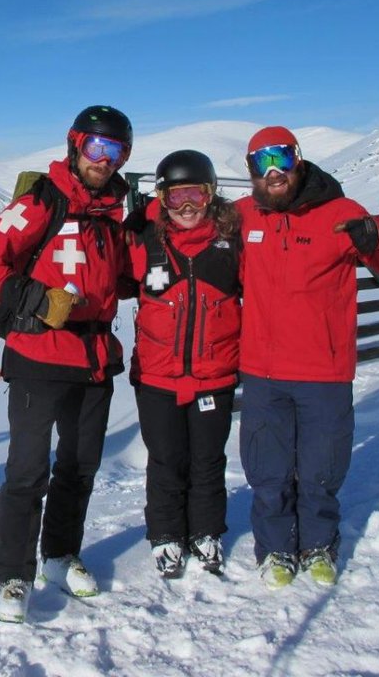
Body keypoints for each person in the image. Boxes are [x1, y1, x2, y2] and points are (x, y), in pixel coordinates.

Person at [0, 105, 133, 623]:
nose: (105, 159)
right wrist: (34, 298)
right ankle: (14, 573)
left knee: (79, 469)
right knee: (27, 473)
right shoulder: (43, 201)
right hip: (39, 356)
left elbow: (120, 279)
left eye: (117, 150)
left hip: (95, 358)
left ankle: (58, 555)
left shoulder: (114, 211)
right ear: (75, 144)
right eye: (97, 147)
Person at [236, 126, 379, 589]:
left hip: (323, 370)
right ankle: (276, 549)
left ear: (298, 159)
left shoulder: (341, 214)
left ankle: (318, 543)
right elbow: (188, 216)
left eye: (281, 157)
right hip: (263, 371)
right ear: (251, 171)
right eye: (262, 162)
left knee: (322, 468)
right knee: (267, 469)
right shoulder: (243, 216)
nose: (273, 171)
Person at [123, 150, 242, 579]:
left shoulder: (231, 244)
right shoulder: (144, 242)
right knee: (166, 458)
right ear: (161, 200)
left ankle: (206, 532)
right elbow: (107, 275)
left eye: (197, 194)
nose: (188, 207)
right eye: (177, 198)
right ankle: (167, 534)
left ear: (212, 196)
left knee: (208, 459)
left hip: (215, 375)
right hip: (158, 376)